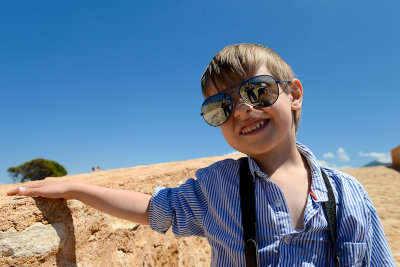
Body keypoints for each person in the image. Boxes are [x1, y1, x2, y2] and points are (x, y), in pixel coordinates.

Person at [7, 43, 395, 266]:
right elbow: (152, 209)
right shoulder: (216, 186)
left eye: (256, 91)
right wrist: (75, 187)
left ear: (293, 94)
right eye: (220, 107)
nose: (242, 110)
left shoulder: (349, 193)